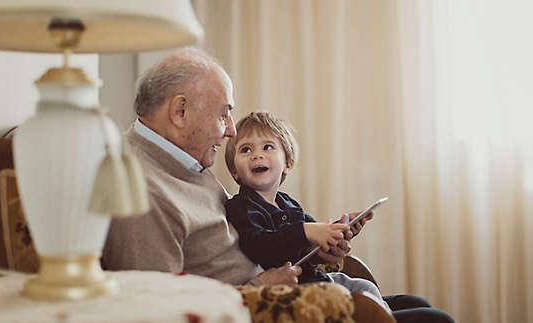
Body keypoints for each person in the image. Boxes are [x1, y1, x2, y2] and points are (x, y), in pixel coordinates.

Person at [102, 47, 454, 323]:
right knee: (433, 319)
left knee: (419, 306)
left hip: (288, 287)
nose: (230, 130)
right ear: (180, 112)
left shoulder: (183, 162)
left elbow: (243, 239)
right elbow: (155, 312)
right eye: (224, 113)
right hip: (268, 310)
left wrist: (316, 250)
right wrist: (261, 288)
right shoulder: (141, 185)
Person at [223, 111, 390, 312]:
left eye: (268, 147)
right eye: (246, 150)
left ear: (288, 163)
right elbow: (258, 244)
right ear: (234, 170)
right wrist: (306, 231)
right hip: (298, 293)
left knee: (365, 286)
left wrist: (338, 230)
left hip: (317, 279)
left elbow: (310, 242)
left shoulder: (288, 204)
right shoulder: (240, 206)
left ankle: (386, 314)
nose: (257, 155)